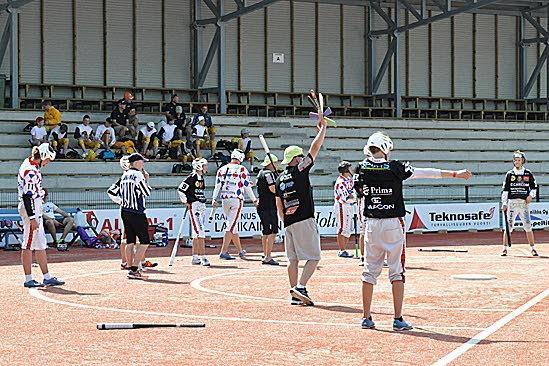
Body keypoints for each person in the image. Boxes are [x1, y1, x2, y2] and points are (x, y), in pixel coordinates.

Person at [355, 131, 472, 331]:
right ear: (385, 149)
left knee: (369, 272)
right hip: (393, 223)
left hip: (371, 223)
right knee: (397, 271)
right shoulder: (396, 167)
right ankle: (398, 318)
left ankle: (366, 317)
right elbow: (425, 172)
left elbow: (358, 192)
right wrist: (454, 174)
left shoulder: (361, 168)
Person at [274, 115, 328, 306]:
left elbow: (278, 203)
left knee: (293, 259)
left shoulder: (279, 179)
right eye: (300, 156)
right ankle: (301, 287)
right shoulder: (300, 170)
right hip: (304, 219)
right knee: (314, 257)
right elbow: (315, 149)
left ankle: (294, 294)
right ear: (296, 158)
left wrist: (284, 220)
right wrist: (323, 130)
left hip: (288, 222)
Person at [17, 143, 65, 287]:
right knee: (28, 244)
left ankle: (46, 276)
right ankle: (28, 278)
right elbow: (27, 196)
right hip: (31, 209)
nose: (48, 163)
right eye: (48, 160)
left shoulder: (30, 165)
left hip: (34, 208)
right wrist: (32, 218)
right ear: (43, 156)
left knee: (40, 244)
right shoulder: (31, 170)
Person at [212, 149, 258, 260]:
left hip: (225, 199)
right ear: (240, 158)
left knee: (233, 226)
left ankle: (240, 251)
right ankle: (223, 251)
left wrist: (214, 198)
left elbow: (217, 185)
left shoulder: (222, 169)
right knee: (231, 225)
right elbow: (246, 186)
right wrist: (254, 199)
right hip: (236, 199)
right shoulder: (242, 169)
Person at [116, 153, 152, 279]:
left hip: (125, 210)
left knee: (130, 241)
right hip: (136, 211)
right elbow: (146, 192)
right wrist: (146, 179)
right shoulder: (137, 175)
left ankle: (130, 268)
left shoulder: (124, 174)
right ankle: (135, 268)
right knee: (145, 241)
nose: (143, 164)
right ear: (136, 162)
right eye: (142, 162)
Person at [501, 150, 539, 257]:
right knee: (508, 227)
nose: (517, 162)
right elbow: (505, 190)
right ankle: (504, 248)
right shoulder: (509, 174)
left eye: (519, 160)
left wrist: (531, 195)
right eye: (515, 160)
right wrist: (504, 203)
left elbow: (534, 187)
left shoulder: (528, 173)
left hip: (523, 204)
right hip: (512, 203)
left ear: (523, 161)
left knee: (528, 226)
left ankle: (533, 248)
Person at [178, 158, 210, 267]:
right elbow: (181, 189)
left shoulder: (201, 178)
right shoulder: (191, 177)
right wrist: (186, 201)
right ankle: (203, 257)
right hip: (195, 206)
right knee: (201, 232)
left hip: (202, 205)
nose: (206, 167)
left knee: (196, 234)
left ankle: (195, 257)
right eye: (204, 165)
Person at [256, 153, 280, 265]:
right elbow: (272, 189)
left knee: (265, 230)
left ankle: (265, 253)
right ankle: (268, 256)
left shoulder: (260, 173)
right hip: (269, 205)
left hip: (261, 204)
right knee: (273, 230)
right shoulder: (269, 174)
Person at [334, 160, 356, 258]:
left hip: (348, 206)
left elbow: (353, 194)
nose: (351, 169)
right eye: (350, 168)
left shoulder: (349, 180)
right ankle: (342, 250)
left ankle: (344, 250)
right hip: (342, 206)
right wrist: (351, 197)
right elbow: (346, 198)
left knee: (347, 230)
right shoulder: (341, 182)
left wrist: (352, 197)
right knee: (342, 228)